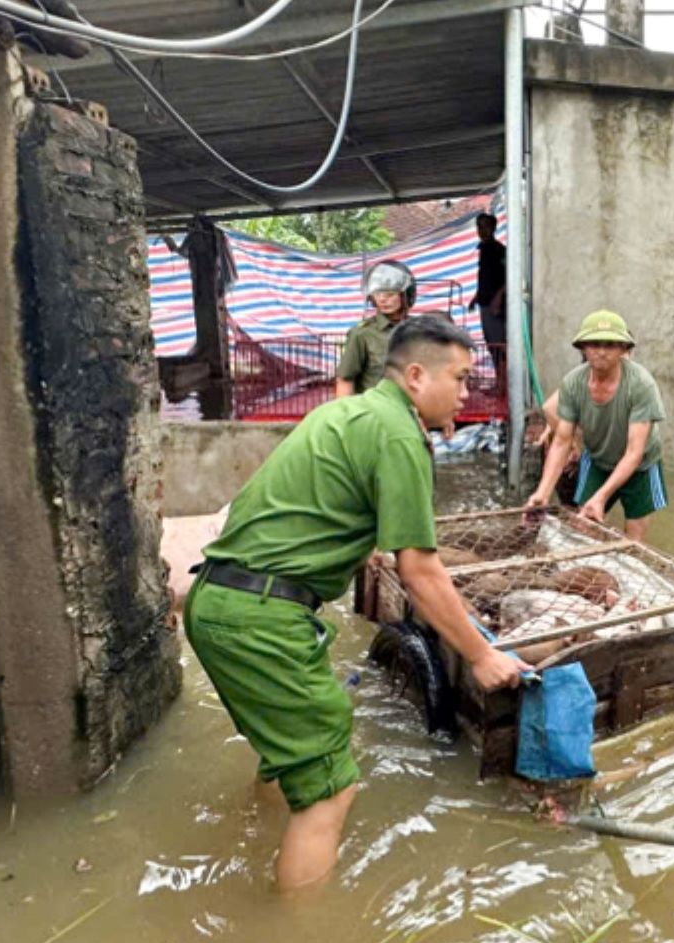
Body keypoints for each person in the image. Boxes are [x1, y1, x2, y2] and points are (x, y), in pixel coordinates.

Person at [187, 316, 528, 892]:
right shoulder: (397, 434)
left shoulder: (345, 413)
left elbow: (326, 506)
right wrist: (480, 655)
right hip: (263, 619)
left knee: (291, 756)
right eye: (463, 379)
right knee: (331, 789)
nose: (468, 393)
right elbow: (419, 570)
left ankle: (263, 836)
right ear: (416, 376)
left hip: (218, 602)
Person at [525, 310, 668, 541]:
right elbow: (561, 441)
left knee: (635, 535)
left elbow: (634, 452)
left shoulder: (641, 384)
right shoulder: (574, 383)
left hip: (641, 464)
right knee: (584, 525)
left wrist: (601, 497)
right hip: (598, 457)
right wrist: (542, 493)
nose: (601, 352)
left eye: (610, 345)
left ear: (624, 349)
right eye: (594, 344)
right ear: (583, 348)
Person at [335, 260, 416, 397]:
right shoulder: (362, 334)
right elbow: (345, 380)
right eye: (377, 294)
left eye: (390, 294)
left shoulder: (420, 330)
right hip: (376, 412)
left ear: (405, 295)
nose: (382, 300)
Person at [470, 212, 507, 351]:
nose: (482, 231)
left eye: (486, 227)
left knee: (499, 346)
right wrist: (476, 297)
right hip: (485, 303)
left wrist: (498, 298)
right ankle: (500, 372)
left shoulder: (499, 250)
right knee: (491, 344)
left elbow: (509, 278)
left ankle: (504, 372)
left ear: (493, 228)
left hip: (496, 306)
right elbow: (486, 278)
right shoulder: (483, 249)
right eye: (479, 227)